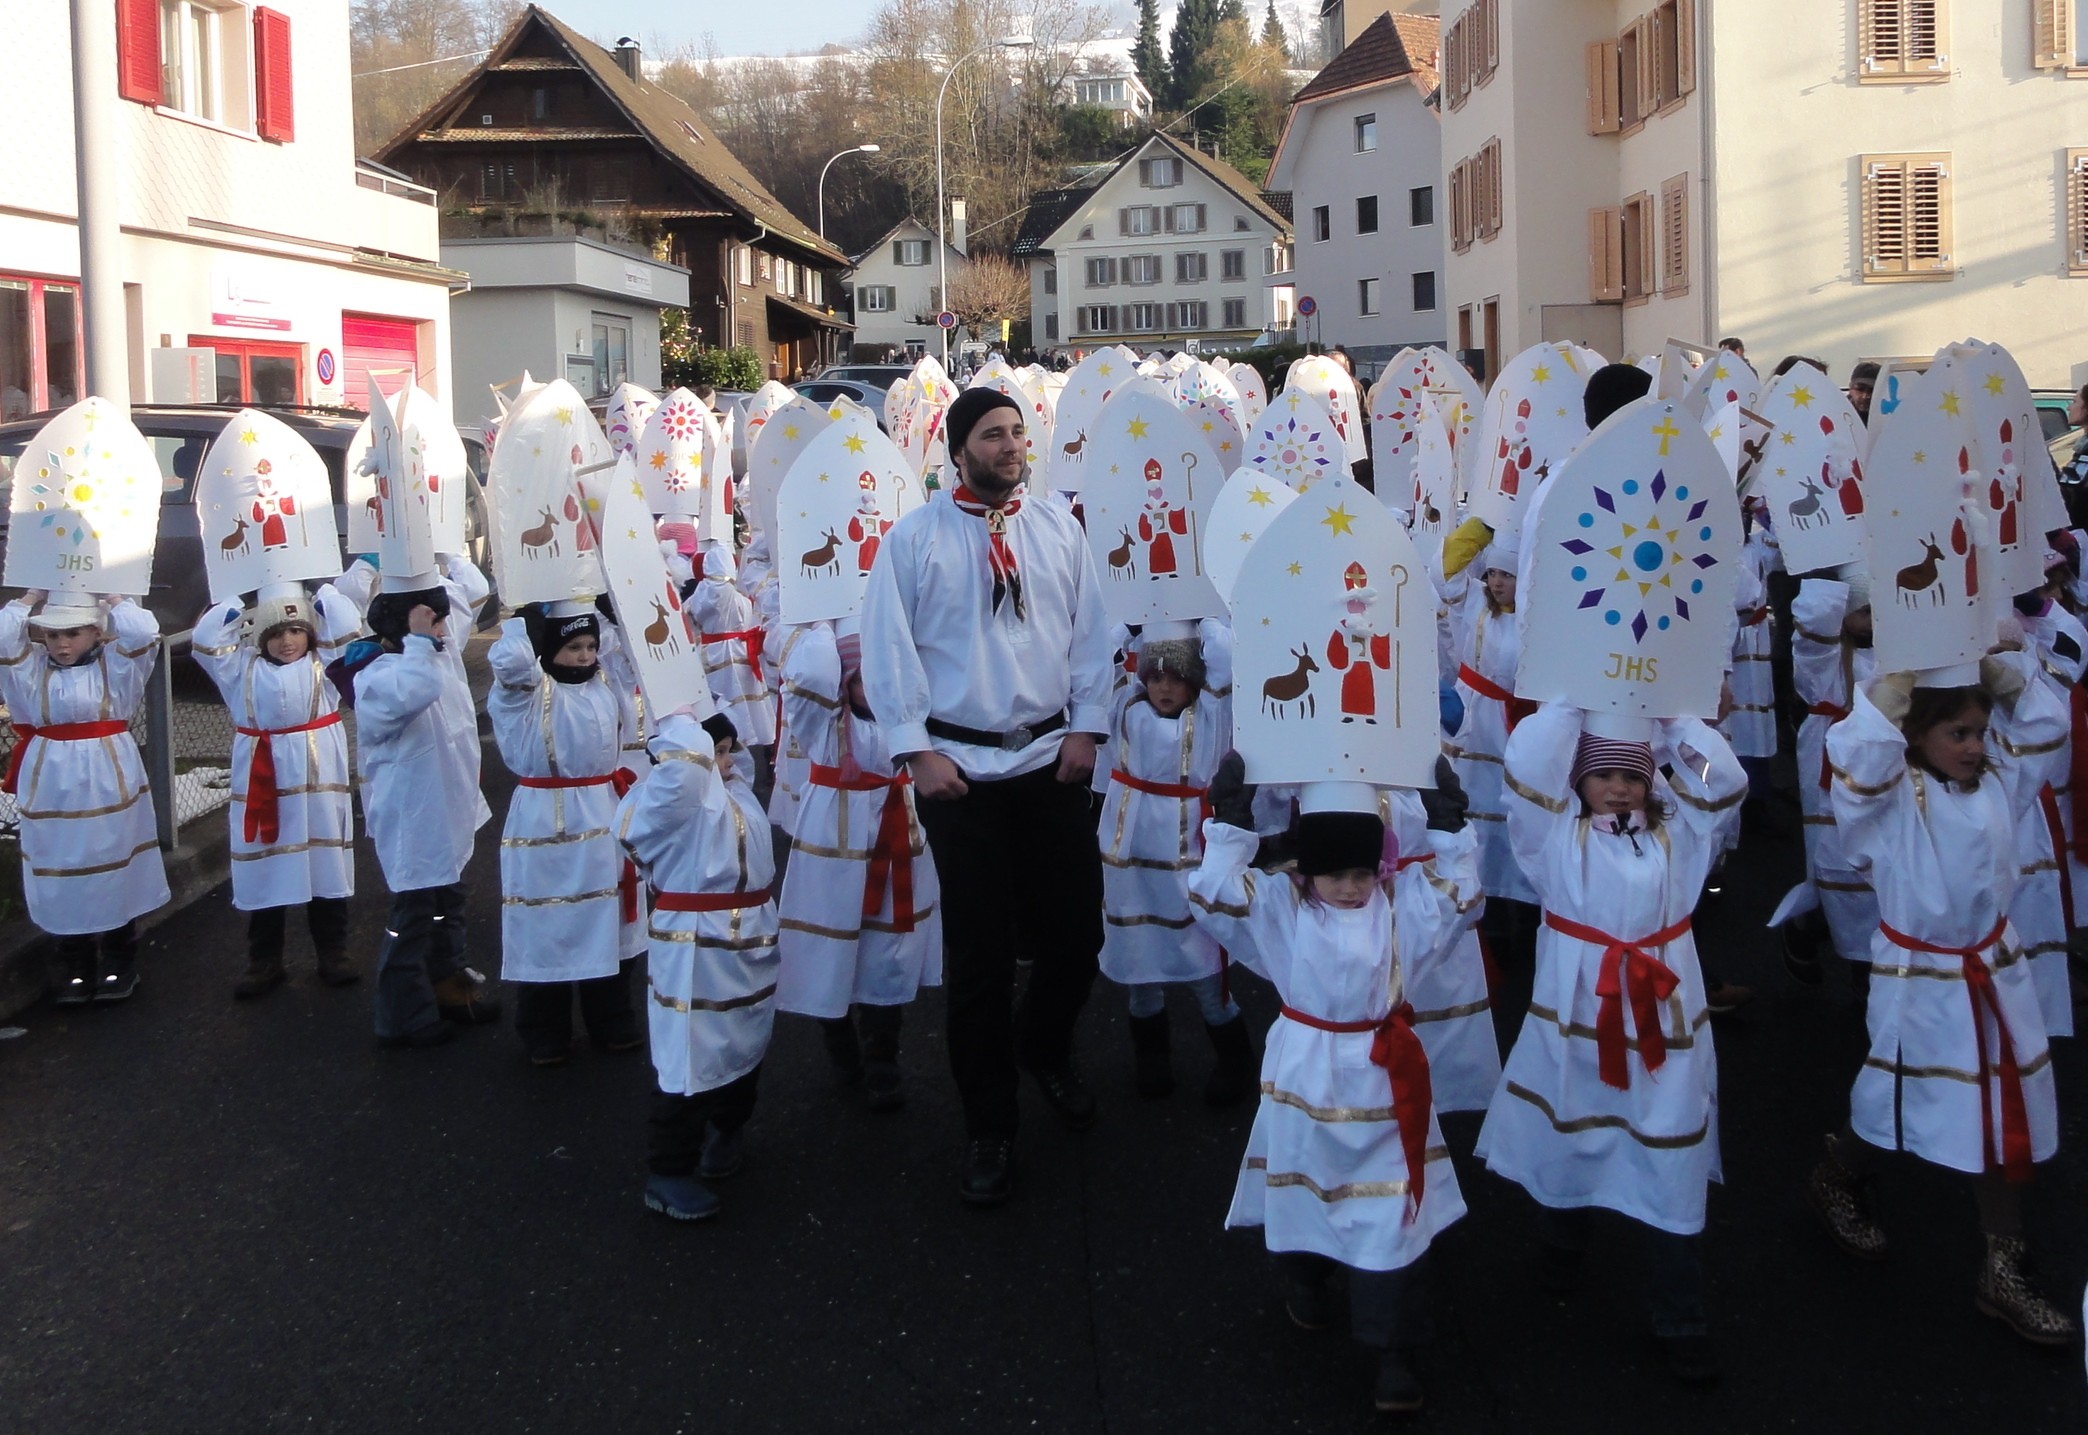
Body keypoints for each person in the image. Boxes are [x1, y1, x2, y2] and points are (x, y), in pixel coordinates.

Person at [862, 385, 1114, 1207]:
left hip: (1047, 759)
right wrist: (916, 749)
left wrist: (1087, 727)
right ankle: (990, 1122)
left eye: (1016, 432)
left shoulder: (1056, 528)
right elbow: (888, 647)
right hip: (960, 773)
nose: (1010, 446)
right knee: (979, 957)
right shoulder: (915, 540)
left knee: (1076, 934)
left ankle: (1043, 1045)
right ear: (958, 449)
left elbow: (1090, 633)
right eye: (992, 435)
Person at [1187, 760, 1479, 1414]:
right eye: (1334, 875)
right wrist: (1231, 823)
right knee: (1309, 1184)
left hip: (1384, 1082)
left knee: (1391, 1209)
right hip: (1308, 1077)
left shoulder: (1403, 908)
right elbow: (1212, 894)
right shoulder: (1281, 909)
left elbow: (1460, 893)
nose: (1350, 888)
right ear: (1306, 871)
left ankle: (1394, 1349)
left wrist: (1449, 826)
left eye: (1362, 874)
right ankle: (1307, 1275)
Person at [1808, 651, 2077, 1345]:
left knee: (1996, 1110)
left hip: (1993, 968)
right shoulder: (1891, 801)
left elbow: (2046, 729)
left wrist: (1999, 669)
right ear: (1916, 733)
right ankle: (1839, 1172)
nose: (1974, 746)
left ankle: (2003, 1265)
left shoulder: (1999, 781)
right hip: (1918, 976)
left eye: (1980, 731)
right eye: (1956, 733)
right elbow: (1857, 760)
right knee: (1899, 1096)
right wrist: (1895, 684)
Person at [1477, 705, 1747, 1383]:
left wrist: (1676, 724)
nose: (1619, 788)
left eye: (1632, 775)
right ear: (1579, 780)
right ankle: (1562, 1240)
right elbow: (1525, 768)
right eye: (1602, 775)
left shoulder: (1680, 834)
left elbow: (1722, 783)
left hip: (1664, 1029)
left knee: (1670, 1154)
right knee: (1575, 1130)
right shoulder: (1553, 839)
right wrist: (1570, 704)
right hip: (1580, 1018)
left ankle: (1680, 1312)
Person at [775, 620, 942, 1112]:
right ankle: (840, 1043)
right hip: (835, 847)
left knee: (888, 950)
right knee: (834, 947)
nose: (874, 688)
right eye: (862, 678)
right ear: (843, 682)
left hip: (896, 840)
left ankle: (882, 1055)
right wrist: (831, 613)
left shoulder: (909, 720)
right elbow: (809, 671)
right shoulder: (823, 725)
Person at [616, 707, 773, 1223]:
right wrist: (681, 721)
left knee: (744, 1043)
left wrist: (707, 713)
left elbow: (734, 763)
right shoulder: (665, 806)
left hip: (749, 942)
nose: (724, 763)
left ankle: (728, 1128)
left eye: (727, 752)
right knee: (690, 1055)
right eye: (714, 753)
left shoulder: (735, 791)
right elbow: (682, 776)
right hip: (696, 946)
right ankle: (668, 1170)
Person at [1098, 622, 1256, 1104]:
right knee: (1139, 964)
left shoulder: (1210, 717)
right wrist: (1129, 624)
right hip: (1130, 862)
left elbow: (1226, 656)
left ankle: (1235, 1061)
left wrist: (1198, 611)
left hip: (1186, 856)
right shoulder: (1125, 706)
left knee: (1203, 962)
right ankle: (1152, 1056)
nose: (1163, 687)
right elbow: (1096, 660)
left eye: (1175, 677)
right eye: (1156, 676)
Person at [487, 603, 646, 1067]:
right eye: (573, 646)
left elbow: (632, 651)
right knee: (548, 923)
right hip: (546, 820)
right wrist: (523, 621)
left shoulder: (604, 683)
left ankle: (611, 1016)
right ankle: (544, 1027)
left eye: (590, 646)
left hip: (604, 812)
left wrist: (605, 606)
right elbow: (511, 663)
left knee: (608, 917)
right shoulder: (528, 693)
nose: (585, 655)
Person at [191, 586, 360, 998]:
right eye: (277, 633)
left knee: (322, 862)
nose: (288, 641)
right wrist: (236, 596)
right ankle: (264, 960)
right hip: (263, 779)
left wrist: (321, 589)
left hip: (317, 781)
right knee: (267, 866)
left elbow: (348, 627)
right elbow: (206, 640)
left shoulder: (326, 664)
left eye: (297, 631)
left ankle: (333, 951)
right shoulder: (241, 669)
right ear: (260, 638)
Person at [0, 591, 169, 1003]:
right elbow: (3, 636)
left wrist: (113, 596)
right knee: (60, 865)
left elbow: (144, 632)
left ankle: (118, 959)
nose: (61, 644)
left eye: (73, 633)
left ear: (96, 632)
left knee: (112, 861)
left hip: (108, 775)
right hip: (51, 780)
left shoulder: (118, 665)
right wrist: (30, 597)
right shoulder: (30, 668)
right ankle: (74, 961)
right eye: (53, 635)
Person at [350, 575, 496, 1049]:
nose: (442, 633)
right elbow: (416, 691)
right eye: (432, 624)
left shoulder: (431, 659)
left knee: (446, 907)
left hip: (445, 809)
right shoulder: (377, 676)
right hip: (413, 818)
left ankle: (449, 986)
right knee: (411, 918)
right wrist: (417, 637)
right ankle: (401, 1014)